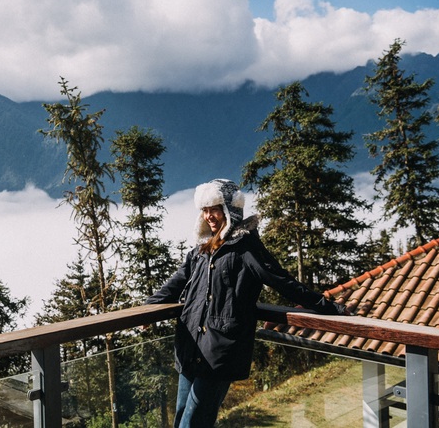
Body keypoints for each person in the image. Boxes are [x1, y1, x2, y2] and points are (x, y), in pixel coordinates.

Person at [146, 179, 348, 427]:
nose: (209, 216)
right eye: (205, 210)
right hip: (191, 346)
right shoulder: (200, 250)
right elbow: (175, 284)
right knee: (180, 417)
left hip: (220, 349)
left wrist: (327, 306)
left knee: (194, 422)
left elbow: (281, 280)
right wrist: (147, 310)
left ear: (230, 209)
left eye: (215, 208)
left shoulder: (245, 247)